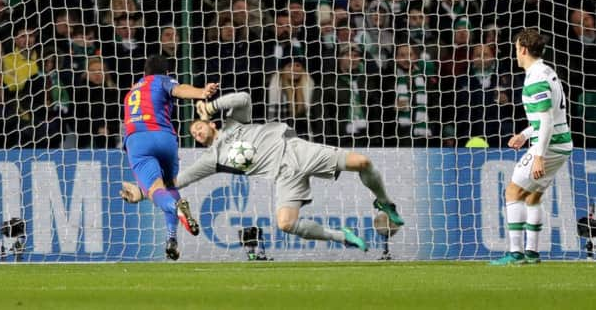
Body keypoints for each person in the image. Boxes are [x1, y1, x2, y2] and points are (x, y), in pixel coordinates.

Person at [122, 91, 404, 252]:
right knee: (285, 224)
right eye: (193, 134)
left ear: (211, 124)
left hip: (294, 149)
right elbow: (176, 181)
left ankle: (384, 201)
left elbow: (244, 98)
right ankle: (341, 236)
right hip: (283, 176)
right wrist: (142, 191)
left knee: (362, 162)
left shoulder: (235, 124)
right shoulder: (211, 159)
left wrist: (212, 105)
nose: (196, 132)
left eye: (198, 126)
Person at [123, 54, 218, 260]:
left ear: (143, 73)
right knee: (170, 187)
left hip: (138, 140)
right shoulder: (163, 80)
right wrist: (202, 92)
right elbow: (179, 89)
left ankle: (176, 208)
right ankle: (171, 238)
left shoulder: (132, 92)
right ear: (167, 73)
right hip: (166, 139)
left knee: (156, 190)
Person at [490, 29, 572, 265]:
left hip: (550, 146)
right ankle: (532, 253)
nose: (515, 53)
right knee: (532, 197)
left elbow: (546, 119)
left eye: (516, 48)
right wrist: (525, 134)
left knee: (513, 192)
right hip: (561, 143)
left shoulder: (536, 77)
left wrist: (538, 155)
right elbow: (549, 115)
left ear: (523, 49)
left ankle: (516, 254)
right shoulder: (545, 71)